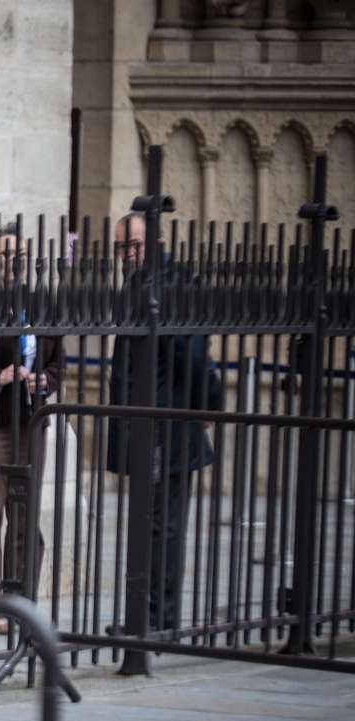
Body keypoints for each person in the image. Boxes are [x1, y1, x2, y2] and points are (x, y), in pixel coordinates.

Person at [106, 212, 223, 634]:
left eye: (134, 245)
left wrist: (206, 405)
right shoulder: (143, 282)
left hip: (166, 425)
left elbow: (191, 357)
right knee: (150, 523)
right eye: (121, 247)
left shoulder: (171, 284)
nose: (127, 254)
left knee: (161, 527)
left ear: (156, 242)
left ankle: (156, 619)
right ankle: (149, 616)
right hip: (147, 424)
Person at [0, 223, 65, 631]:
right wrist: (1, 377)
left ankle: (21, 602)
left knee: (26, 513)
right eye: (5, 256)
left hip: (32, 419)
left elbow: (58, 359)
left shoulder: (40, 302)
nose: (14, 264)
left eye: (19, 256)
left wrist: (48, 380)